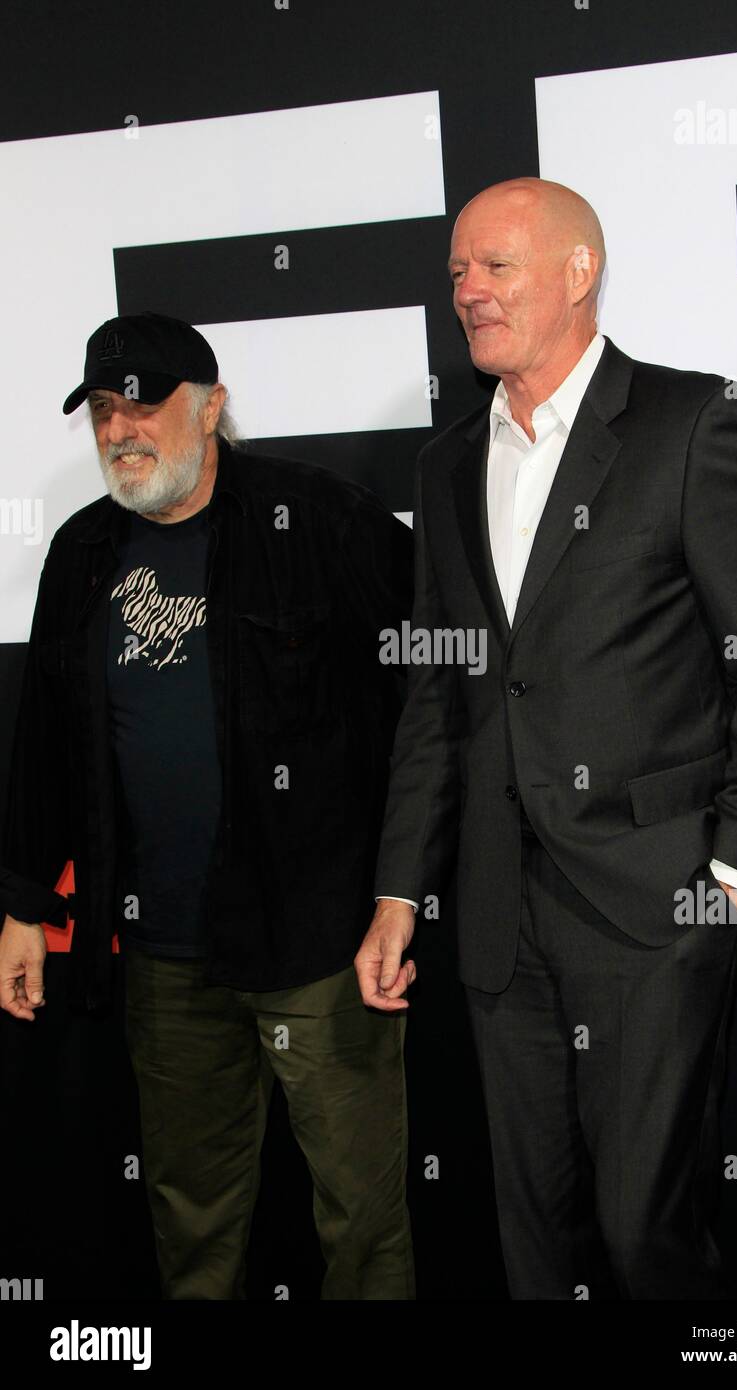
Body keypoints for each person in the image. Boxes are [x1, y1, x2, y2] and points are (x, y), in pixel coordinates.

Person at [356, 178, 737, 1300]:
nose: (467, 290)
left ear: (579, 273)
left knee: (641, 1241)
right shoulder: (444, 466)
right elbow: (439, 695)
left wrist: (729, 882)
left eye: (495, 266)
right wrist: (395, 891)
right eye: (456, 272)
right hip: (490, 918)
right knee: (532, 1245)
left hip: (653, 911)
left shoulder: (691, 424)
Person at [0, 311, 415, 1300]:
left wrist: (402, 888)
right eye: (104, 409)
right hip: (162, 956)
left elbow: (432, 705)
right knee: (191, 1220)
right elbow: (48, 741)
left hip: (316, 943)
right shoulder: (83, 552)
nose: (122, 429)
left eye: (146, 403)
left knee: (361, 1216)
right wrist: (23, 900)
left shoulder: (319, 520)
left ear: (212, 406)